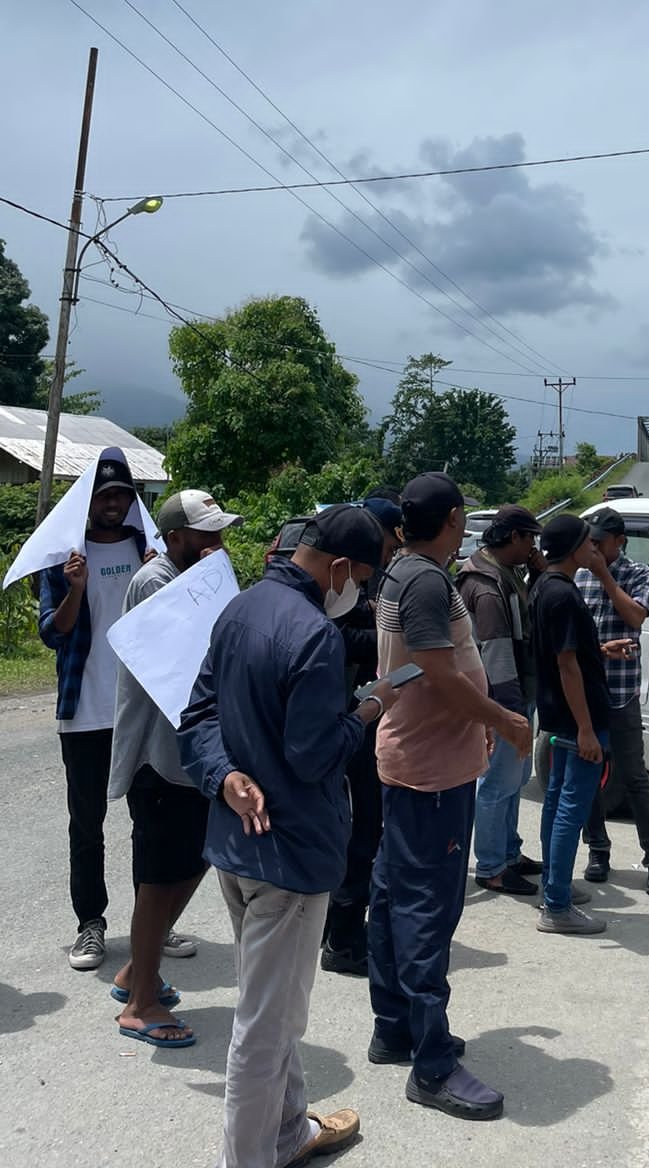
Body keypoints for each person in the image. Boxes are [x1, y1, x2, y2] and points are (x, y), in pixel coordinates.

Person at [179, 504, 402, 1168]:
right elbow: (313, 755)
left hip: (236, 847)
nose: (357, 593)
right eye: (361, 579)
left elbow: (196, 716)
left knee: (272, 1007)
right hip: (292, 855)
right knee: (264, 1027)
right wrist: (368, 708)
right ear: (339, 568)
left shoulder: (239, 610)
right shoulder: (313, 634)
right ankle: (248, 1157)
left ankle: (288, 1133)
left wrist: (223, 777)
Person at [368, 474, 531, 1123]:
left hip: (416, 758)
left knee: (391, 895)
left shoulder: (403, 574)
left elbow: (407, 667)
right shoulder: (428, 580)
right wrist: (502, 720)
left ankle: (395, 1028)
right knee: (427, 911)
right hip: (430, 773)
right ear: (456, 519)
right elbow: (435, 670)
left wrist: (459, 718)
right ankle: (431, 1064)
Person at [108, 489, 244, 1048]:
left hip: (190, 758)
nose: (216, 543)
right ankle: (139, 1004)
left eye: (219, 532)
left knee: (193, 863)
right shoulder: (156, 582)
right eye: (204, 534)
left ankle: (133, 974)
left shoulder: (199, 577)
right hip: (158, 758)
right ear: (174, 537)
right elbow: (191, 665)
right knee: (158, 881)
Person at [38, 448, 148, 972]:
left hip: (141, 709)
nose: (113, 503)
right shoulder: (66, 559)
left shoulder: (147, 550)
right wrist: (75, 590)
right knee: (88, 824)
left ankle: (154, 923)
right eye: (104, 495)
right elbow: (53, 634)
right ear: (89, 500)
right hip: (84, 712)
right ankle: (91, 924)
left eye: (121, 495)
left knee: (151, 820)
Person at [320, 491, 405, 977]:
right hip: (348, 711)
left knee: (364, 828)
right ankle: (343, 938)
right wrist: (391, 637)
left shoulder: (371, 574)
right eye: (387, 546)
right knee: (361, 829)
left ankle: (344, 927)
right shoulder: (341, 577)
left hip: (362, 706)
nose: (388, 557)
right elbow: (334, 636)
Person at [577, 508, 649, 896]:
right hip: (585, 693)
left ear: (621, 542)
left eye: (602, 542)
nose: (595, 549)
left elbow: (635, 616)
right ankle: (598, 849)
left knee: (634, 776)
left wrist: (605, 575)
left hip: (621, 694)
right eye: (591, 542)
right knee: (586, 779)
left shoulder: (637, 573)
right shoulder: (578, 575)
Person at [456, 504, 545, 897]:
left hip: (515, 694)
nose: (533, 548)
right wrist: (508, 714)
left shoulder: (506, 574)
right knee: (497, 783)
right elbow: (495, 653)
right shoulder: (488, 586)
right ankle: (491, 866)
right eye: (530, 539)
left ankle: (509, 852)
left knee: (514, 780)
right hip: (503, 697)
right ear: (513, 538)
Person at [530, 513, 611, 937]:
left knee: (557, 801)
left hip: (559, 714)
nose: (595, 549)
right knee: (570, 810)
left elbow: (570, 653)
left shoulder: (545, 586)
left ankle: (552, 887)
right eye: (589, 542)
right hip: (578, 718)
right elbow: (565, 664)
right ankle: (557, 904)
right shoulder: (561, 594)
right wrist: (585, 729)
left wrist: (601, 650)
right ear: (575, 547)